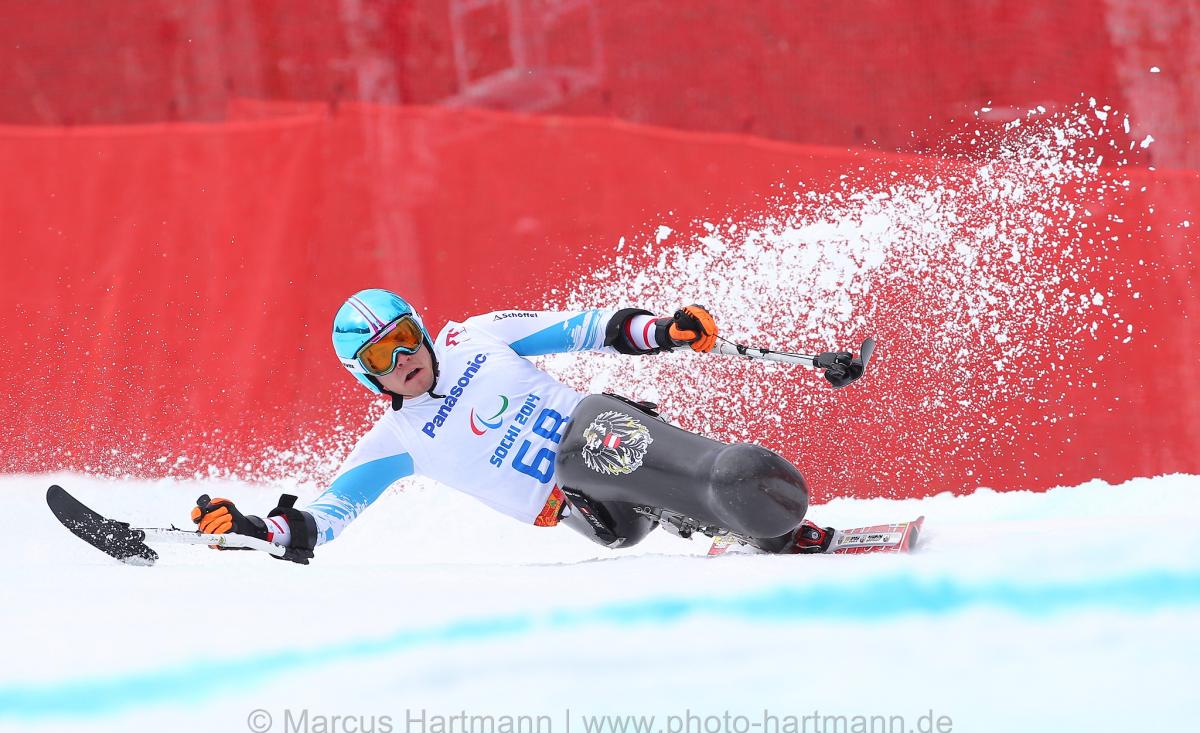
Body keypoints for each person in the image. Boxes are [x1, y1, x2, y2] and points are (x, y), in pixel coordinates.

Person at [191, 289, 833, 563]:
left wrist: (663, 330)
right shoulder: (395, 441)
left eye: (408, 339)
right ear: (366, 377)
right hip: (591, 514)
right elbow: (326, 518)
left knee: (596, 439)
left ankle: (746, 506)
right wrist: (254, 528)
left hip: (606, 433)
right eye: (383, 358)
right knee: (593, 476)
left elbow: (588, 328)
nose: (407, 360)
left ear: (423, 326)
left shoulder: (477, 337)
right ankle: (724, 502)